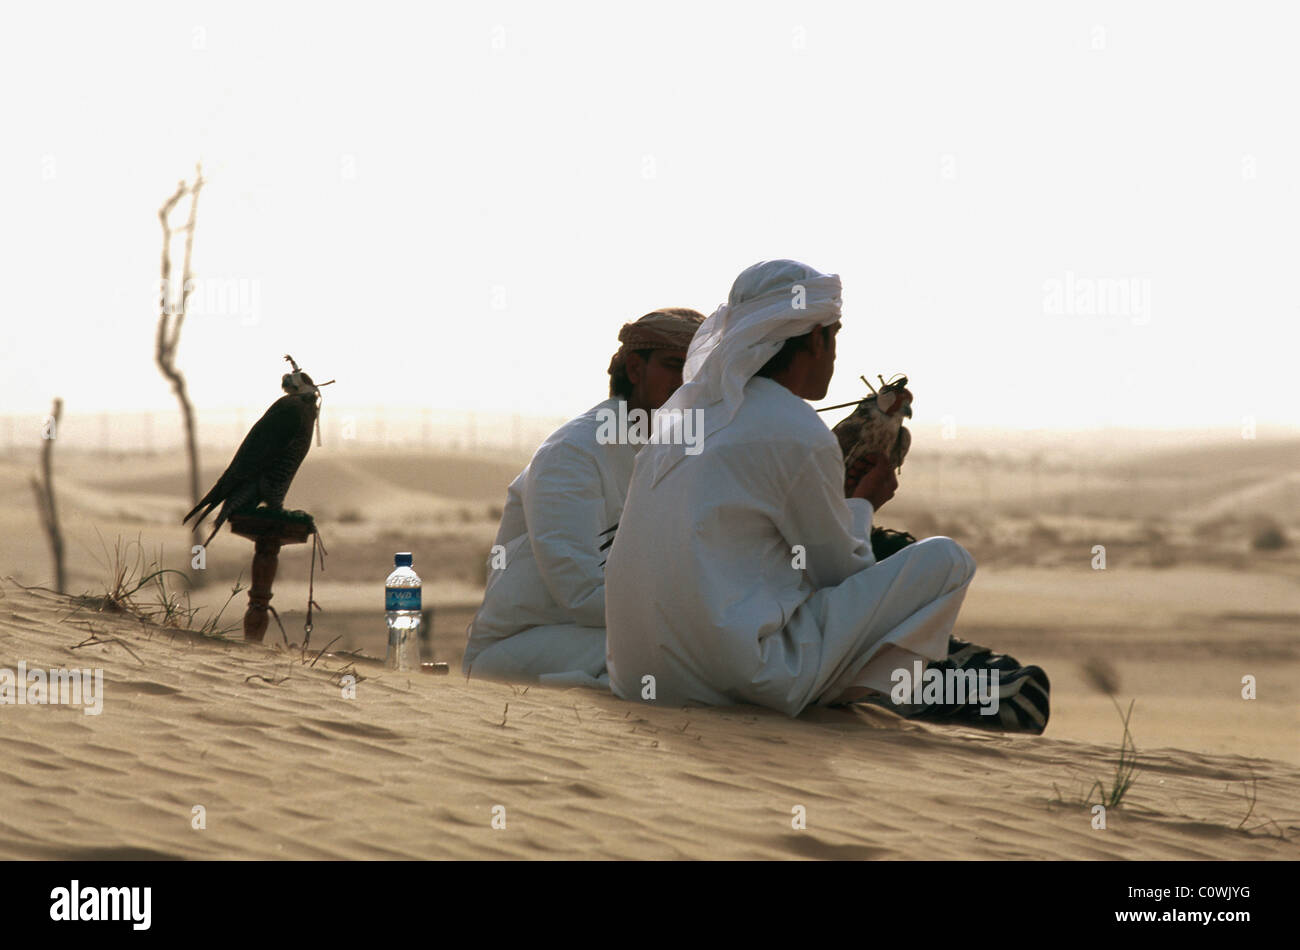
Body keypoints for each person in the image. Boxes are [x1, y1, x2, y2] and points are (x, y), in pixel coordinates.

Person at [604, 260, 1049, 732]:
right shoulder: (795, 427)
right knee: (947, 560)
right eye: (834, 337)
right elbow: (840, 574)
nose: (834, 355)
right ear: (815, 339)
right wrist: (861, 504)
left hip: (639, 677)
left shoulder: (680, 421)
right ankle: (902, 691)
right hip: (733, 682)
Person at [463, 307, 706, 688]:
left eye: (698, 370)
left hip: (612, 635)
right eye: (675, 365)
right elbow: (582, 594)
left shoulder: (678, 454)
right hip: (524, 645)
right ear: (635, 370)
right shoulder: (574, 452)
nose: (687, 382)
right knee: (686, 654)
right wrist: (696, 611)